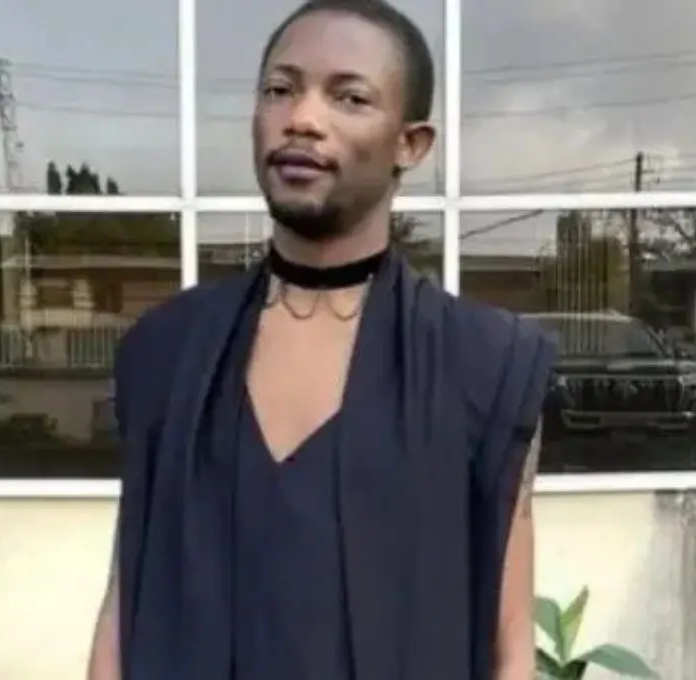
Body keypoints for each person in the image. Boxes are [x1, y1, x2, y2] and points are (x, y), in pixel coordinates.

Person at [86, 1, 555, 678]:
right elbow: (125, 599)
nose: (301, 118)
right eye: (280, 89)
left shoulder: (487, 366)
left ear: (411, 144)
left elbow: (511, 645)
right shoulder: (166, 352)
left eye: (349, 97)